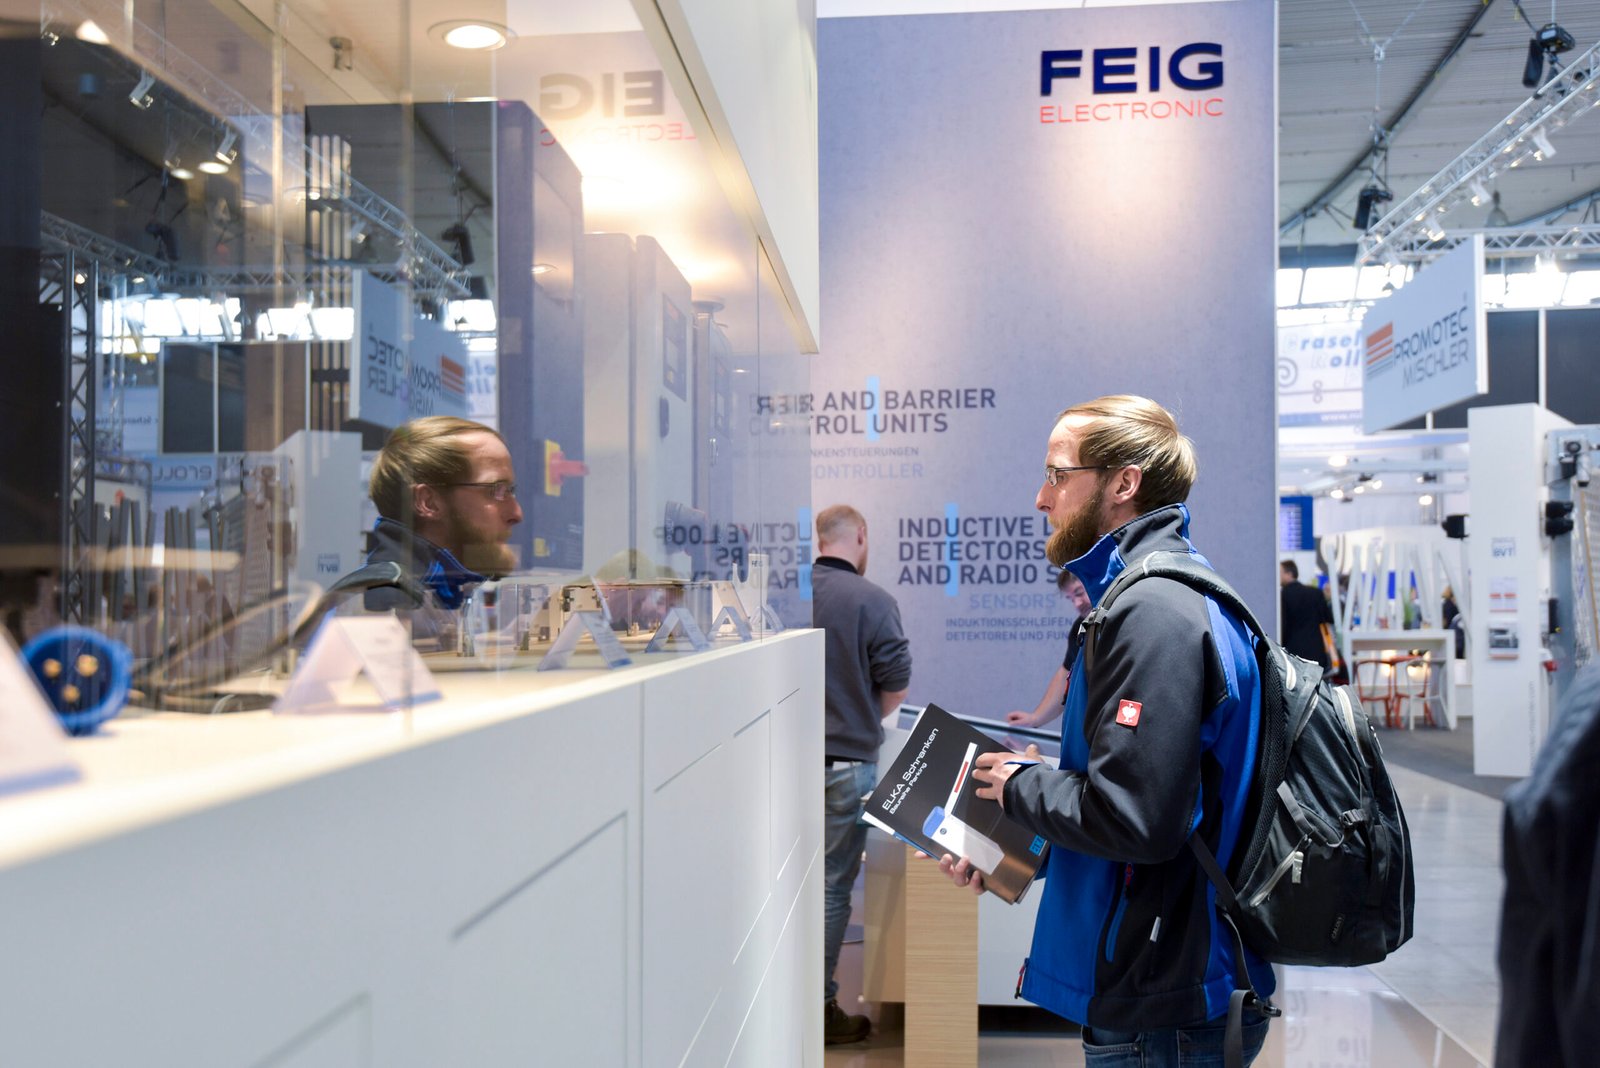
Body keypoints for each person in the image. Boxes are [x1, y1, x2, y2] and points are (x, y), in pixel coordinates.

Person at [939, 395, 1273, 1066]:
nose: (1041, 498)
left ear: (1124, 483)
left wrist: (1019, 787)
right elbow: (1150, 800)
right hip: (1159, 982)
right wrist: (1013, 842)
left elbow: (1136, 820)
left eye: (1058, 475)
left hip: (1163, 997)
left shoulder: (1155, 614)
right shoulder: (1155, 598)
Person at [810, 504, 911, 1045]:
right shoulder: (873, 601)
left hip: (783, 764)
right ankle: (819, 1010)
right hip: (847, 766)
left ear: (819, 540)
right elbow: (895, 684)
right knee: (831, 890)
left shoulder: (789, 595)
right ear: (862, 537)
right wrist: (861, 714)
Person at [352, 416, 524, 643]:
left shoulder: (447, 589)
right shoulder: (383, 601)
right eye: (496, 490)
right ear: (428, 502)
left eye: (511, 490)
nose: (516, 513)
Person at [1006, 568, 1092, 729]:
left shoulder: (1122, 614)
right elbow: (1066, 674)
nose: (1077, 604)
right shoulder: (1081, 628)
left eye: (1079, 593)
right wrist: (1035, 719)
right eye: (1071, 599)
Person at [1279, 559, 1333, 670]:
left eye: (1280, 572)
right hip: (1316, 651)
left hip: (1293, 653)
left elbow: (1283, 626)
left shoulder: (1282, 596)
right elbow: (1327, 619)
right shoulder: (1315, 593)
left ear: (1289, 574)